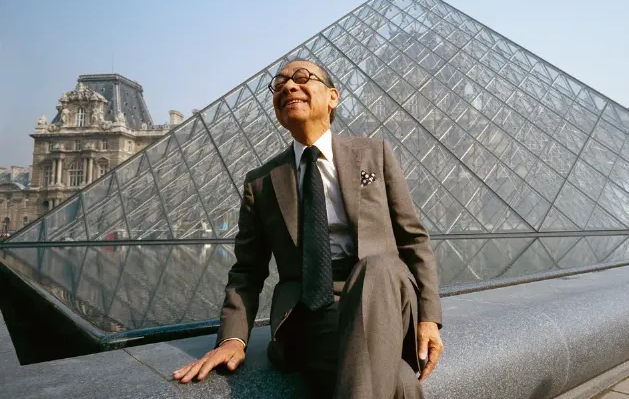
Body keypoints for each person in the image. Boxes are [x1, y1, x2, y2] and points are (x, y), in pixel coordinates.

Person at [173, 59, 443, 398]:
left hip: (385, 297)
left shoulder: (376, 153)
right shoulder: (261, 183)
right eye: (279, 84)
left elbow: (413, 238)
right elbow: (247, 270)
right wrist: (233, 338)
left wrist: (429, 318)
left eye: (302, 78)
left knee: (377, 266)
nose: (288, 86)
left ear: (332, 97)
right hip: (312, 312)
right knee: (401, 382)